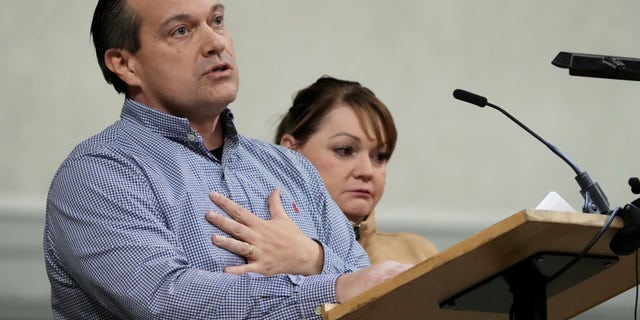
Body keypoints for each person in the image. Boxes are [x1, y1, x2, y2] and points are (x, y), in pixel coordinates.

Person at [42, 1, 411, 319]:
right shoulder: (98, 174)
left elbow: (368, 289)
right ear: (124, 64)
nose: (216, 42)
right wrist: (330, 287)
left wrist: (313, 259)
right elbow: (168, 301)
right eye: (182, 30)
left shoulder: (290, 167)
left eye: (217, 20)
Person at [274, 76, 439, 264]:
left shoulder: (419, 255)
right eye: (344, 150)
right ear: (290, 153)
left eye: (380, 156)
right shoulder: (253, 250)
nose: (367, 171)